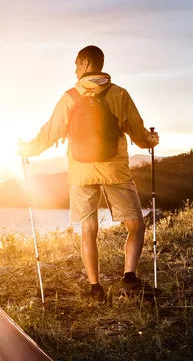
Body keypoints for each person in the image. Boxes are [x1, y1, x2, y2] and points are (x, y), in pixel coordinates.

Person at [17, 45, 160, 302]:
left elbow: (49, 134)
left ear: (85, 63)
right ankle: (129, 279)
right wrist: (152, 140)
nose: (74, 69)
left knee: (88, 228)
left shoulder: (70, 97)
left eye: (76, 64)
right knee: (136, 225)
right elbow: (139, 135)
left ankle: (95, 288)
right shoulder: (120, 94)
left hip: (81, 171)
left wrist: (25, 148)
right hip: (114, 170)